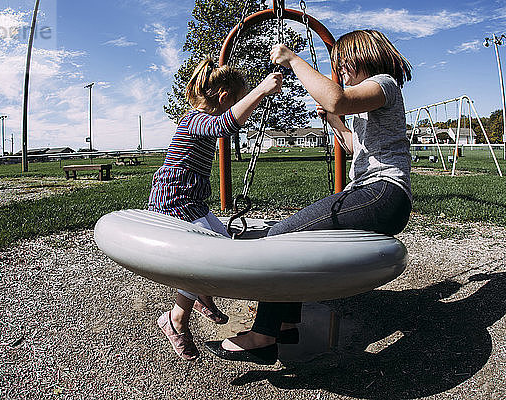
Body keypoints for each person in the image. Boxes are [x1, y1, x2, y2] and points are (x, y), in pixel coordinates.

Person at [205, 29, 413, 365]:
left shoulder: (385, 83)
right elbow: (353, 146)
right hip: (375, 192)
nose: (340, 70)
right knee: (296, 241)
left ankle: (263, 336)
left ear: (366, 55)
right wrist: (334, 121)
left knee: (278, 237)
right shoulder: (369, 100)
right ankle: (285, 323)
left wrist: (291, 58)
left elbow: (337, 99)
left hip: (383, 191)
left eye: (344, 63)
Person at [149, 58, 283, 360]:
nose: (237, 110)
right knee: (210, 260)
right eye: (234, 102)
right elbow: (227, 124)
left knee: (223, 245)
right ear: (223, 98)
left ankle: (202, 297)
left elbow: (226, 122)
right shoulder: (195, 119)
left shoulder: (199, 120)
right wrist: (261, 90)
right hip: (174, 200)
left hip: (190, 200)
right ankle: (175, 319)